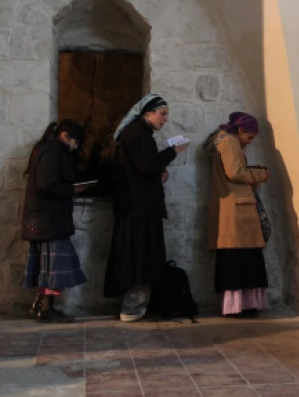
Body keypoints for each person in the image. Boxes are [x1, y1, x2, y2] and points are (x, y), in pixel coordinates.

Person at [104, 94, 188, 322]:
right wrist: (173, 151)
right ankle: (132, 307)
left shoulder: (135, 134)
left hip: (135, 208)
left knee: (136, 258)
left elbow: (142, 170)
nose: (165, 119)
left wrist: (157, 174)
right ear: (147, 113)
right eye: (162, 114)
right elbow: (147, 165)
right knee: (141, 260)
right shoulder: (138, 134)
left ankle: (132, 306)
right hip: (140, 210)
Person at [21, 119, 91, 323]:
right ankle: (46, 309)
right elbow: (46, 184)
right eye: (76, 141)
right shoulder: (53, 152)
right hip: (48, 220)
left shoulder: (49, 150)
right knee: (55, 267)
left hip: (46, 219)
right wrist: (72, 190)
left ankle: (40, 305)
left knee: (49, 266)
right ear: (65, 136)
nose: (76, 145)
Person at [204, 112, 270, 317]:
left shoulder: (220, 140)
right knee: (245, 257)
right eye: (249, 137)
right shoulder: (230, 141)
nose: (249, 143)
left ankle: (238, 306)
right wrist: (260, 174)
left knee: (235, 257)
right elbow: (235, 173)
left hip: (229, 205)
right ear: (241, 130)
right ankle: (244, 306)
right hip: (238, 205)